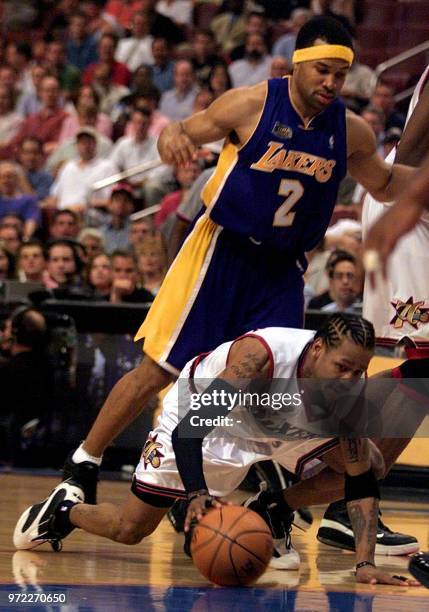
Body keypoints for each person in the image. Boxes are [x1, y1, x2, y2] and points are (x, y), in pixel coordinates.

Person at [50, 16, 418, 542]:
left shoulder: (350, 131)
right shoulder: (249, 104)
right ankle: (84, 462)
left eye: (340, 74)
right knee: (160, 367)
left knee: (273, 393)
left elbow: (382, 183)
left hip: (283, 268)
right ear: (296, 64)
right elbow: (181, 132)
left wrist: (422, 185)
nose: (331, 84)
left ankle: (260, 506)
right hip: (223, 251)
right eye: (322, 70)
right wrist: (171, 141)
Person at [12, 313, 419, 586]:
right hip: (211, 424)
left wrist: (365, 565)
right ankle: (64, 510)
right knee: (130, 530)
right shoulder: (259, 359)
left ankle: (273, 507)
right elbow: (190, 432)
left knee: (371, 461)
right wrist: (197, 495)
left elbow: (361, 480)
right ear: (316, 350)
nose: (351, 378)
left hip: (279, 423)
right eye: (342, 367)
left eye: (359, 370)